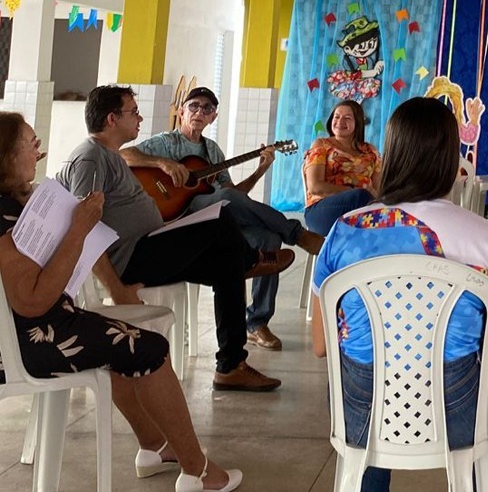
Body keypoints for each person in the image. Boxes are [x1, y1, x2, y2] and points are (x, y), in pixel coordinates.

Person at [0, 112, 242, 492]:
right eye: (30, 144)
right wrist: (77, 229)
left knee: (114, 343)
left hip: (34, 327)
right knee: (149, 349)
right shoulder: (3, 218)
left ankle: (153, 444)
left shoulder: (12, 204)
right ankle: (197, 471)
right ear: (7, 156)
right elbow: (32, 301)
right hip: (26, 340)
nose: (40, 151)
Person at [311, 96, 488, 492]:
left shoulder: (344, 231)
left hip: (362, 412)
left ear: (389, 156)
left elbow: (320, 345)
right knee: (484, 379)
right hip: (457, 412)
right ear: (451, 160)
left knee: (365, 375)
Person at [57, 85, 287, 393]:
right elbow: (83, 228)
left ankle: (231, 366)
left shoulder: (109, 155)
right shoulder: (90, 159)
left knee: (226, 264)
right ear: (112, 119)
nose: (139, 118)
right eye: (133, 112)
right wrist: (116, 289)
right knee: (220, 220)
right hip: (129, 260)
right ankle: (252, 260)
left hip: (149, 245)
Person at [121, 85, 322, 351]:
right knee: (225, 199)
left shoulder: (213, 151)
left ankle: (258, 323)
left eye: (207, 108)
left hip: (218, 217)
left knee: (268, 238)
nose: (199, 112)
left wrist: (260, 170)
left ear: (213, 117)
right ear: (182, 112)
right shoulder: (166, 142)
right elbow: (124, 155)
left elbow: (236, 196)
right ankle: (297, 234)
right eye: (193, 106)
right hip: (182, 218)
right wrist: (163, 163)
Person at [302, 100, 382, 237]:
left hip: (363, 208)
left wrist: (373, 196)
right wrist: (352, 192)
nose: (340, 121)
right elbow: (315, 187)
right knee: (361, 198)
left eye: (347, 118)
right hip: (322, 210)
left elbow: (379, 191)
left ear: (358, 123)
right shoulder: (321, 144)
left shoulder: (371, 151)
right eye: (337, 117)